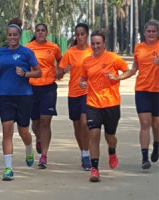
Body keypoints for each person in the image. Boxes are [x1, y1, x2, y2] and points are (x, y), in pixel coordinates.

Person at [0, 18, 41, 180]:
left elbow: (38, 72)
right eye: (9, 35)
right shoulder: (1, 52)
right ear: (7, 36)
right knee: (7, 131)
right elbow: (0, 68)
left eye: (15, 35)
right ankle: (8, 168)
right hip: (6, 96)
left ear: (19, 36)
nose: (12, 37)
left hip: (24, 96)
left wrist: (25, 74)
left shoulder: (27, 52)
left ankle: (29, 148)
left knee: (23, 131)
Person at [79, 30, 132, 182]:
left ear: (104, 44)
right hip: (93, 103)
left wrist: (117, 77)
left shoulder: (113, 58)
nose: (95, 46)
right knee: (94, 135)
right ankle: (94, 169)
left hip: (111, 103)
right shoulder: (87, 61)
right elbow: (83, 79)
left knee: (110, 137)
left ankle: (112, 150)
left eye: (98, 43)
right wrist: (82, 84)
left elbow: (128, 71)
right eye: (93, 43)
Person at [25, 23, 62, 169]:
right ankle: (39, 138)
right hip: (32, 87)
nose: (40, 33)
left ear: (46, 33)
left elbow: (61, 59)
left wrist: (59, 70)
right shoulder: (28, 47)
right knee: (35, 123)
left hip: (48, 87)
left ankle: (44, 156)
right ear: (35, 32)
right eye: (38, 31)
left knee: (45, 120)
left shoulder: (53, 47)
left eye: (43, 31)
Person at [58, 23, 93, 170]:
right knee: (77, 125)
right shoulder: (70, 53)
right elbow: (58, 75)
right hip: (73, 93)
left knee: (85, 123)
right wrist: (64, 71)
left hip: (89, 93)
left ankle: (86, 155)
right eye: (77, 34)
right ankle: (83, 151)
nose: (79, 37)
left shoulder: (93, 51)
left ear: (87, 35)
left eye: (82, 34)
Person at [131, 20, 159, 169]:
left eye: (154, 31)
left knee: (156, 124)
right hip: (142, 89)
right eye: (149, 31)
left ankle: (156, 144)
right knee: (145, 123)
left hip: (157, 91)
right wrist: (118, 77)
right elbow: (134, 67)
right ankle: (144, 157)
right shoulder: (139, 48)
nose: (151, 33)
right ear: (144, 32)